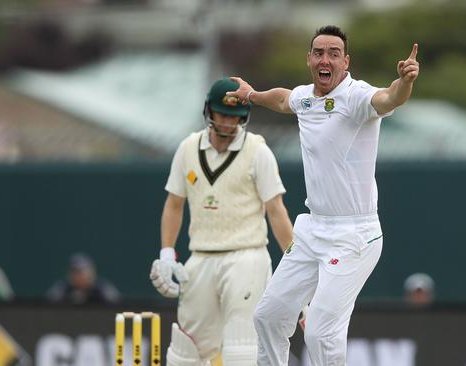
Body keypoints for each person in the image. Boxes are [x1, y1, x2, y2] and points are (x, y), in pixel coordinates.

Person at [226, 25, 420, 365]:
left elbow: (389, 98)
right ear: (309, 59)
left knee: (318, 331)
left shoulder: (357, 96)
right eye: (319, 53)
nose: (325, 59)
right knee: (267, 317)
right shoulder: (306, 97)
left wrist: (405, 82)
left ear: (346, 61)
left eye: (333, 53)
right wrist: (252, 95)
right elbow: (284, 99)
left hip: (354, 236)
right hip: (313, 230)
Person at [148, 77, 293, 366]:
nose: (228, 123)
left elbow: (276, 210)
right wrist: (166, 253)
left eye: (235, 117)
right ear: (209, 112)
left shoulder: (257, 151)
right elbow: (174, 204)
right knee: (185, 354)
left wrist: (296, 268)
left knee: (242, 350)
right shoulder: (188, 148)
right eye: (223, 114)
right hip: (200, 257)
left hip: (246, 257)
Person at [47, 252, 120, 304]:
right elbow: (49, 303)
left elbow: (116, 303)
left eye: (81, 272)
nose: (78, 276)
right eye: (74, 272)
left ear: (91, 272)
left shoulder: (102, 289)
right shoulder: (62, 289)